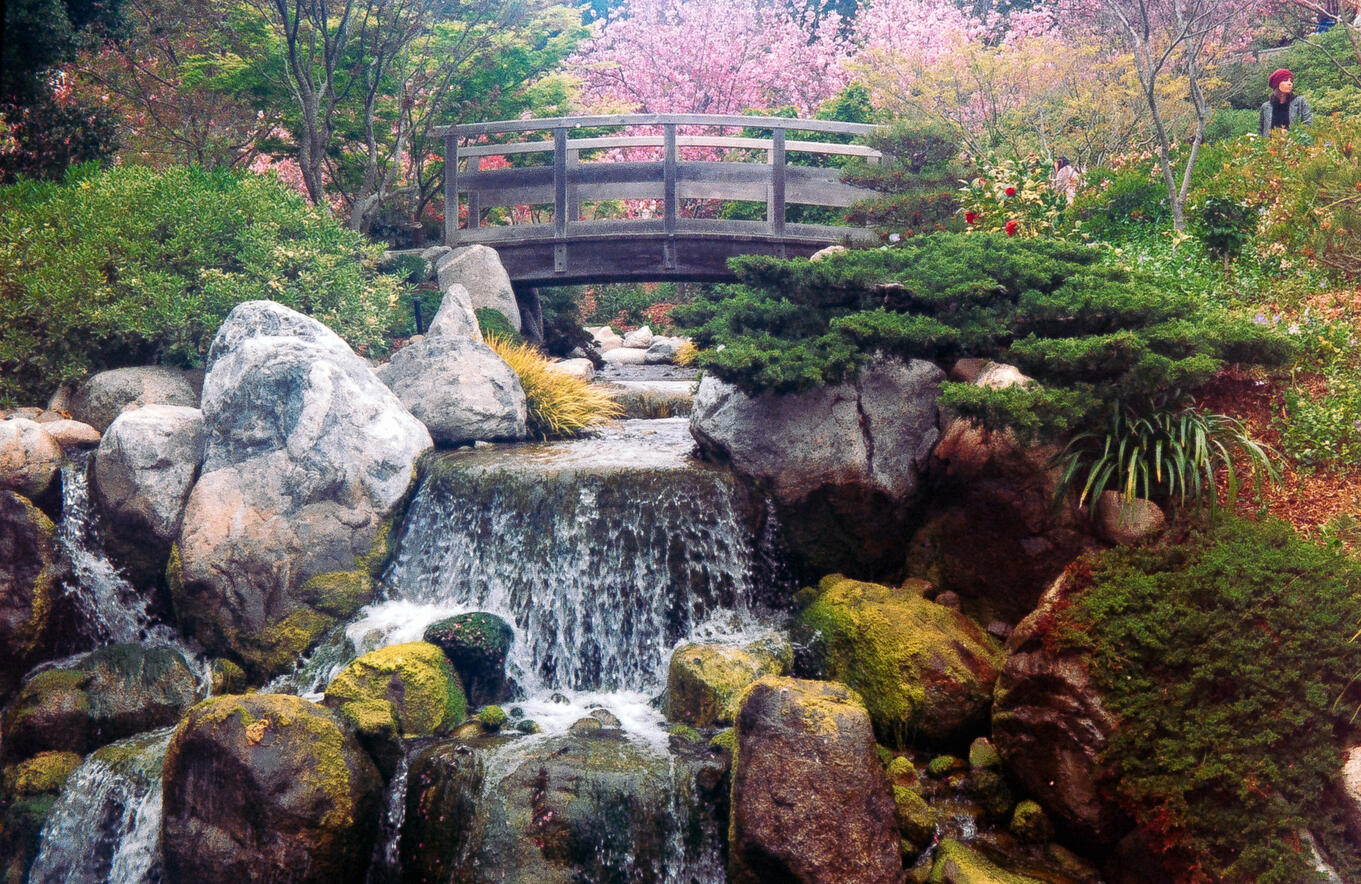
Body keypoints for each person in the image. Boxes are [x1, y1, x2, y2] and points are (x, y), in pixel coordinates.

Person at [1259, 68, 1313, 137]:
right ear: (1276, 84)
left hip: (1294, 145)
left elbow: (1308, 124)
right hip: (1271, 145)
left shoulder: (1300, 102)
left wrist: (1291, 134)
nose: (1290, 83)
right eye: (1285, 80)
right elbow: (1261, 131)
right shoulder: (1266, 107)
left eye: (1291, 81)